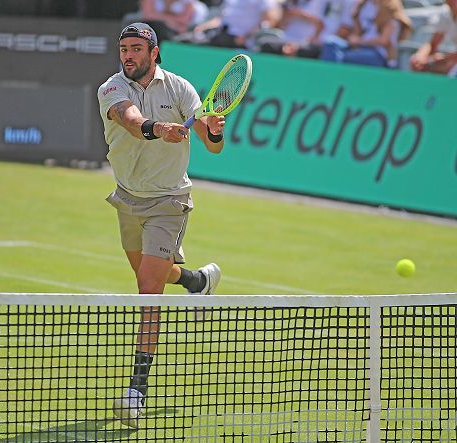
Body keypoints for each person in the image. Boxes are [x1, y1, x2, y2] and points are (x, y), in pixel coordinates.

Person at [97, 22, 224, 428]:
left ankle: (136, 390)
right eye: (124, 49)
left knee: (148, 290)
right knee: (152, 274)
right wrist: (158, 129)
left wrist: (213, 132)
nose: (128, 55)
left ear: (154, 52)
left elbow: (212, 145)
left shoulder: (181, 89)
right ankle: (196, 281)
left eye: (136, 48)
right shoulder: (111, 89)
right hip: (127, 197)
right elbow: (132, 121)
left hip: (169, 200)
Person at [320, 0, 411, 67]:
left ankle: (331, 79)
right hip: (361, 48)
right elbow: (358, 33)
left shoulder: (391, 14)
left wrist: (360, 41)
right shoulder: (366, 7)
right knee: (330, 42)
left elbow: (384, 41)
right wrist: (355, 18)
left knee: (343, 57)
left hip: (378, 54)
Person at [191, 0, 282, 49]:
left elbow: (270, 19)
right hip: (222, 35)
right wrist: (203, 27)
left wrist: (246, 37)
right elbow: (220, 18)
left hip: (245, 42)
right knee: (191, 39)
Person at [409, 0, 457, 77]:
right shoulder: (445, 12)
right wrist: (420, 56)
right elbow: (433, 44)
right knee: (419, 65)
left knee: (449, 67)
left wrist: (443, 58)